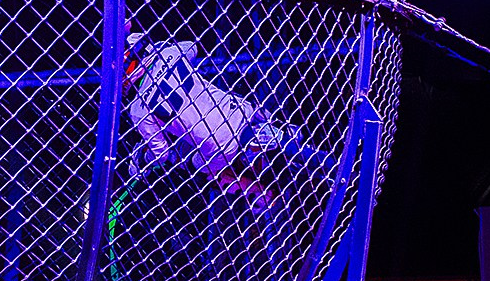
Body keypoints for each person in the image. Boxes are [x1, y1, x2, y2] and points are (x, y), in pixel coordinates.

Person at [121, 30, 332, 212]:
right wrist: (162, 51)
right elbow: (191, 47)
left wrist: (145, 157)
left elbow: (161, 153)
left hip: (220, 146)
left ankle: (260, 188)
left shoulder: (139, 108)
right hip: (239, 112)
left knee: (185, 159)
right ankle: (283, 138)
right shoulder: (171, 54)